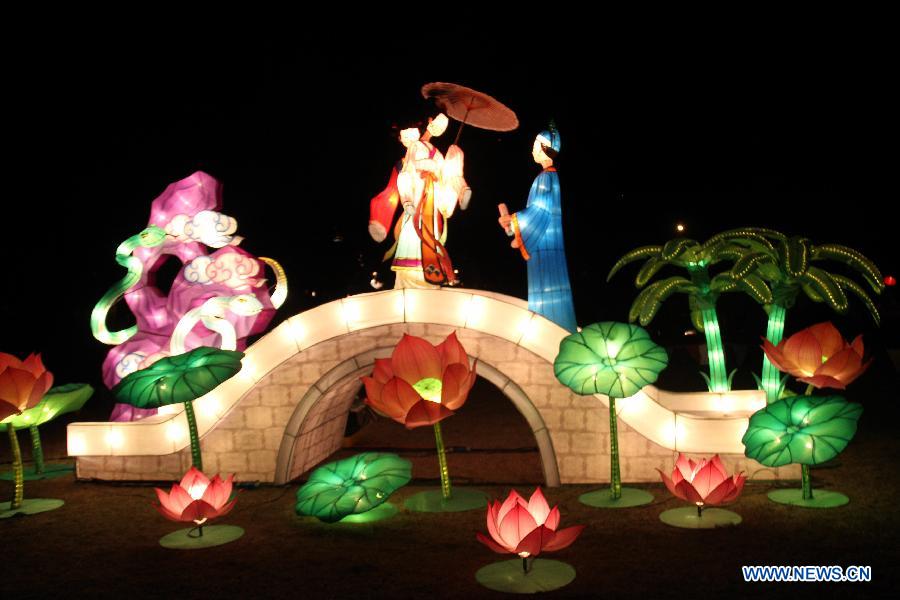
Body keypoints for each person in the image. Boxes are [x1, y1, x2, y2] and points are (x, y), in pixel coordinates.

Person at [498, 126, 577, 331]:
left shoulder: (546, 178)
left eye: (536, 145)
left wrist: (514, 220)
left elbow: (539, 211)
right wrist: (512, 225)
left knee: (546, 285)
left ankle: (550, 330)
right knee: (547, 287)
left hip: (545, 243)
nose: (532, 149)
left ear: (546, 148)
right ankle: (553, 328)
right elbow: (536, 212)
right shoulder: (548, 177)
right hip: (545, 241)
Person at [370, 114, 462, 288]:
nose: (408, 138)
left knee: (428, 238)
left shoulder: (437, 154)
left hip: (430, 207)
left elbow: (445, 179)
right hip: (416, 206)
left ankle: (428, 277)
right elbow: (403, 178)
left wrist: (448, 194)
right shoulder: (412, 152)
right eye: (403, 136)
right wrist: (407, 201)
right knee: (413, 236)